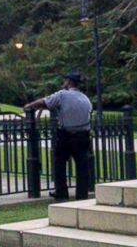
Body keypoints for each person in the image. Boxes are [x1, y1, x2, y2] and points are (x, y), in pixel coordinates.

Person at [24, 70, 93, 201]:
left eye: (65, 80)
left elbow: (45, 102)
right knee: (82, 167)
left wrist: (29, 106)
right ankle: (82, 196)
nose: (64, 82)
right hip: (83, 135)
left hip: (66, 134)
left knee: (59, 163)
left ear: (69, 82)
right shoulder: (85, 98)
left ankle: (62, 193)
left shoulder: (63, 95)